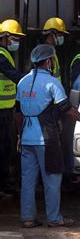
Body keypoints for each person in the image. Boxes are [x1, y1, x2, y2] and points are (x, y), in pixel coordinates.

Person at [16, 44, 80, 228]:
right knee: (52, 178)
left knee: (28, 180)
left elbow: (17, 113)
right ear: (49, 62)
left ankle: (27, 218)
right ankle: (54, 218)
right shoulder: (52, 83)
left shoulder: (22, 82)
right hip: (46, 139)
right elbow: (66, 109)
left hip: (26, 139)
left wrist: (19, 136)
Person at [0, 20, 26, 198]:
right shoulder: (1, 56)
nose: (16, 42)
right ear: (6, 37)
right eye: (15, 38)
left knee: (7, 148)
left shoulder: (5, 54)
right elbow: (13, 75)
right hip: (1, 111)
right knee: (2, 149)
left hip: (6, 110)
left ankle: (5, 183)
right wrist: (30, 82)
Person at [42, 17, 69, 83]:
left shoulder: (52, 52)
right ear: (52, 34)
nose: (62, 37)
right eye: (60, 34)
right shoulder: (46, 53)